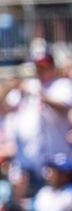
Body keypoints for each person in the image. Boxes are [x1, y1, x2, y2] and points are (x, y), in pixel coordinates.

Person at [7, 52, 72, 184]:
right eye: (37, 67)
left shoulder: (61, 85)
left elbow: (63, 106)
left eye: (43, 67)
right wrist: (17, 87)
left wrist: (40, 94)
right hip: (33, 158)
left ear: (53, 68)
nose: (40, 71)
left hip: (58, 158)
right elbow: (7, 105)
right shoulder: (31, 84)